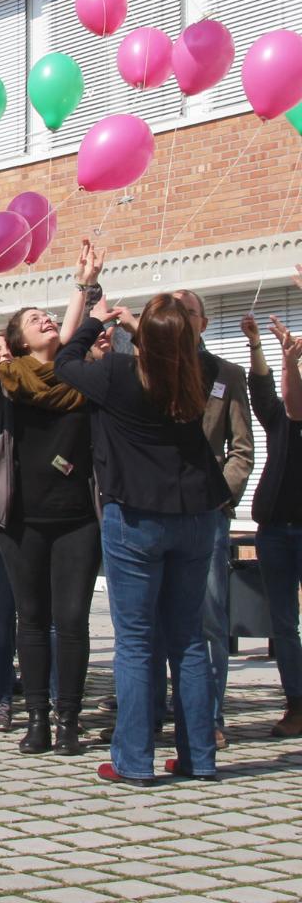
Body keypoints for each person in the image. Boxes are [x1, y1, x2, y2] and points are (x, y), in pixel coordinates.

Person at [55, 291, 229, 784]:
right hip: (196, 515)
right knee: (189, 640)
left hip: (135, 518)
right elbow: (193, 351)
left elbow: (66, 362)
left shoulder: (117, 376)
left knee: (134, 642)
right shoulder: (200, 375)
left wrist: (95, 319)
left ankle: (134, 760)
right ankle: (200, 757)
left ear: (146, 340)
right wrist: (143, 329)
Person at [0, 255, 100, 756]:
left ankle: (69, 721)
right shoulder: (9, 383)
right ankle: (37, 718)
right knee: (32, 619)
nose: (46, 319)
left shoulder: (81, 378)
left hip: (78, 517)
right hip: (21, 520)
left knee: (73, 619)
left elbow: (74, 338)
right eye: (34, 318)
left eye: (50, 314)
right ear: (17, 343)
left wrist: (83, 285)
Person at [168, 288, 253, 748]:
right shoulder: (150, 372)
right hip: (158, 511)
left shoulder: (227, 374)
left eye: (190, 312)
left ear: (202, 322)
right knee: (156, 622)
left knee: (208, 621)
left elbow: (242, 449)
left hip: (208, 514)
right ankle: (163, 709)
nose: (181, 319)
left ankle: (210, 716)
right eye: (174, 311)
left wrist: (220, 496)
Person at [243, 310, 302, 737]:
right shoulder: (278, 419)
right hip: (275, 531)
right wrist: (258, 346)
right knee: (283, 622)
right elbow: (261, 390)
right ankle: (296, 704)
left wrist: (289, 362)